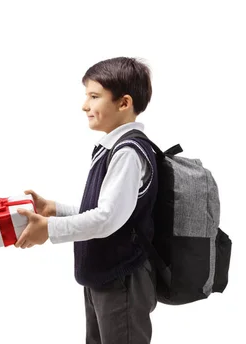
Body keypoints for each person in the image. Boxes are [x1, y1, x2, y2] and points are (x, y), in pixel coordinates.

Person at [15, 57, 158, 343]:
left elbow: (106, 219)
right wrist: (56, 211)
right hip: (105, 277)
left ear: (123, 103)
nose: (84, 106)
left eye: (94, 96)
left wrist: (50, 229)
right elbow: (109, 210)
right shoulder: (112, 148)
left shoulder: (128, 153)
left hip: (122, 278)